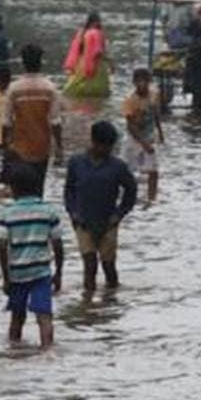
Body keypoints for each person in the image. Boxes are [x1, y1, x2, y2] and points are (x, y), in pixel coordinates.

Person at [63, 121, 137, 292]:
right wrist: (73, 213)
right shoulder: (76, 163)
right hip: (83, 222)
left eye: (110, 146)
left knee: (109, 266)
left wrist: (119, 215)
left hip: (108, 223)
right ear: (94, 142)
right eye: (105, 146)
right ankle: (89, 306)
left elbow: (131, 191)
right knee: (89, 265)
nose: (108, 150)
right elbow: (69, 191)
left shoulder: (118, 167)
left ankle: (111, 300)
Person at [0, 164, 64, 348]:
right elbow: (58, 244)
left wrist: (6, 277)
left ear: (14, 188)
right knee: (44, 316)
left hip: (17, 274)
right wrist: (58, 272)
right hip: (41, 273)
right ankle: (47, 352)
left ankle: (14, 350)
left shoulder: (7, 214)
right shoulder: (48, 212)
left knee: (17, 317)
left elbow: (2, 246)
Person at [4, 44, 64, 192]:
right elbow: (55, 122)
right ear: (40, 62)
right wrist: (59, 147)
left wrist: (6, 146)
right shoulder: (50, 88)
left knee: (18, 190)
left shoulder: (14, 89)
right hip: (42, 147)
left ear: (23, 63)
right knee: (38, 189)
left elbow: (6, 123)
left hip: (19, 148)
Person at [122, 68, 165, 206]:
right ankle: (127, 199)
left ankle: (152, 199)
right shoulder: (130, 100)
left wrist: (160, 132)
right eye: (139, 81)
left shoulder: (154, 95)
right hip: (132, 139)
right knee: (127, 172)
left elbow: (156, 114)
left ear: (149, 82)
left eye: (145, 81)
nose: (142, 84)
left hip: (149, 137)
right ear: (134, 82)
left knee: (153, 170)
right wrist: (143, 143)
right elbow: (130, 125)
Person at [62, 12, 111, 99]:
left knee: (75, 88)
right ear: (94, 22)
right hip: (97, 66)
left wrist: (71, 67)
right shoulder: (97, 34)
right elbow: (99, 51)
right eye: (98, 21)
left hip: (81, 65)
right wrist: (111, 63)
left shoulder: (81, 33)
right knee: (98, 93)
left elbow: (74, 51)